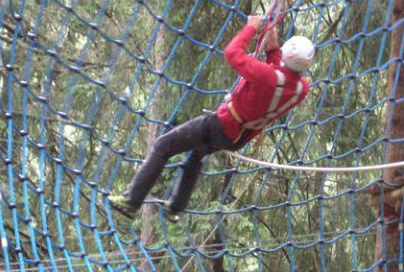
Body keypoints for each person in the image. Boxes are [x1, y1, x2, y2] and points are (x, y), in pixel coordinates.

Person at [111, 15, 314, 219]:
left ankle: (131, 201)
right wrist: (273, 48)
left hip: (221, 126)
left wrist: (250, 28)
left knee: (163, 146)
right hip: (237, 138)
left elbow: (233, 53)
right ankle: (175, 207)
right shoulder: (301, 88)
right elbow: (281, 77)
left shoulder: (267, 77)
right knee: (197, 154)